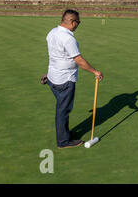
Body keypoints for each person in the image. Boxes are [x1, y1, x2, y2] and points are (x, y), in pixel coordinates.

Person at [44, 10, 103, 149]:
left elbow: (54, 55)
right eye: (78, 22)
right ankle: (63, 141)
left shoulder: (52, 32)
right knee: (63, 110)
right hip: (64, 80)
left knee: (62, 108)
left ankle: (65, 133)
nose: (78, 25)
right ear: (72, 22)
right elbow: (79, 60)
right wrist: (95, 71)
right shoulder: (68, 39)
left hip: (52, 77)